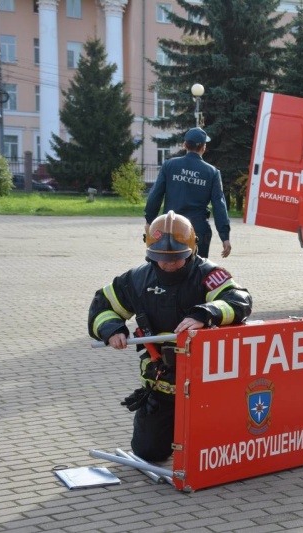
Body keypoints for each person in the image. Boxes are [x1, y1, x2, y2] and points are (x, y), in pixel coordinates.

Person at [88, 211, 252, 461]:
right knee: (148, 452)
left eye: (176, 257)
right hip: (161, 384)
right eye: (161, 258)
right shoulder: (137, 279)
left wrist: (205, 314)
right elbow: (103, 306)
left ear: (192, 248)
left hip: (206, 385)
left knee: (210, 454)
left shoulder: (208, 274)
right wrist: (112, 330)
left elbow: (239, 300)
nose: (169, 264)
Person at [145, 127, 232, 259]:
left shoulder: (169, 166)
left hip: (170, 226)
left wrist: (149, 220)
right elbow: (219, 204)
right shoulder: (212, 172)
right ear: (204, 147)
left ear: (185, 145)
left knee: (167, 264)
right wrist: (224, 237)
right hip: (198, 230)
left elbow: (156, 194)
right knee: (197, 271)